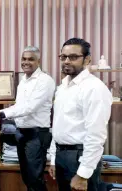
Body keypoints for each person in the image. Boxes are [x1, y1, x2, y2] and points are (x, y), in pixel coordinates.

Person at [0, 46, 55, 191]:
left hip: (36, 135)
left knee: (35, 178)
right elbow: (19, 106)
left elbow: (30, 107)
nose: (26, 62)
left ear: (38, 61)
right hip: (21, 133)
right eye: (24, 59)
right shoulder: (23, 80)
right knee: (26, 176)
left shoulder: (45, 81)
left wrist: (1, 113)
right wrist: (3, 113)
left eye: (30, 59)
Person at [49, 38, 112, 191]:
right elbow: (57, 125)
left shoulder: (94, 88)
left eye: (73, 57)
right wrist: (53, 158)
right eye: (63, 57)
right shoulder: (63, 86)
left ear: (87, 60)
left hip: (80, 157)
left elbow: (96, 135)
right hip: (61, 154)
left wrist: (83, 174)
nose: (67, 61)